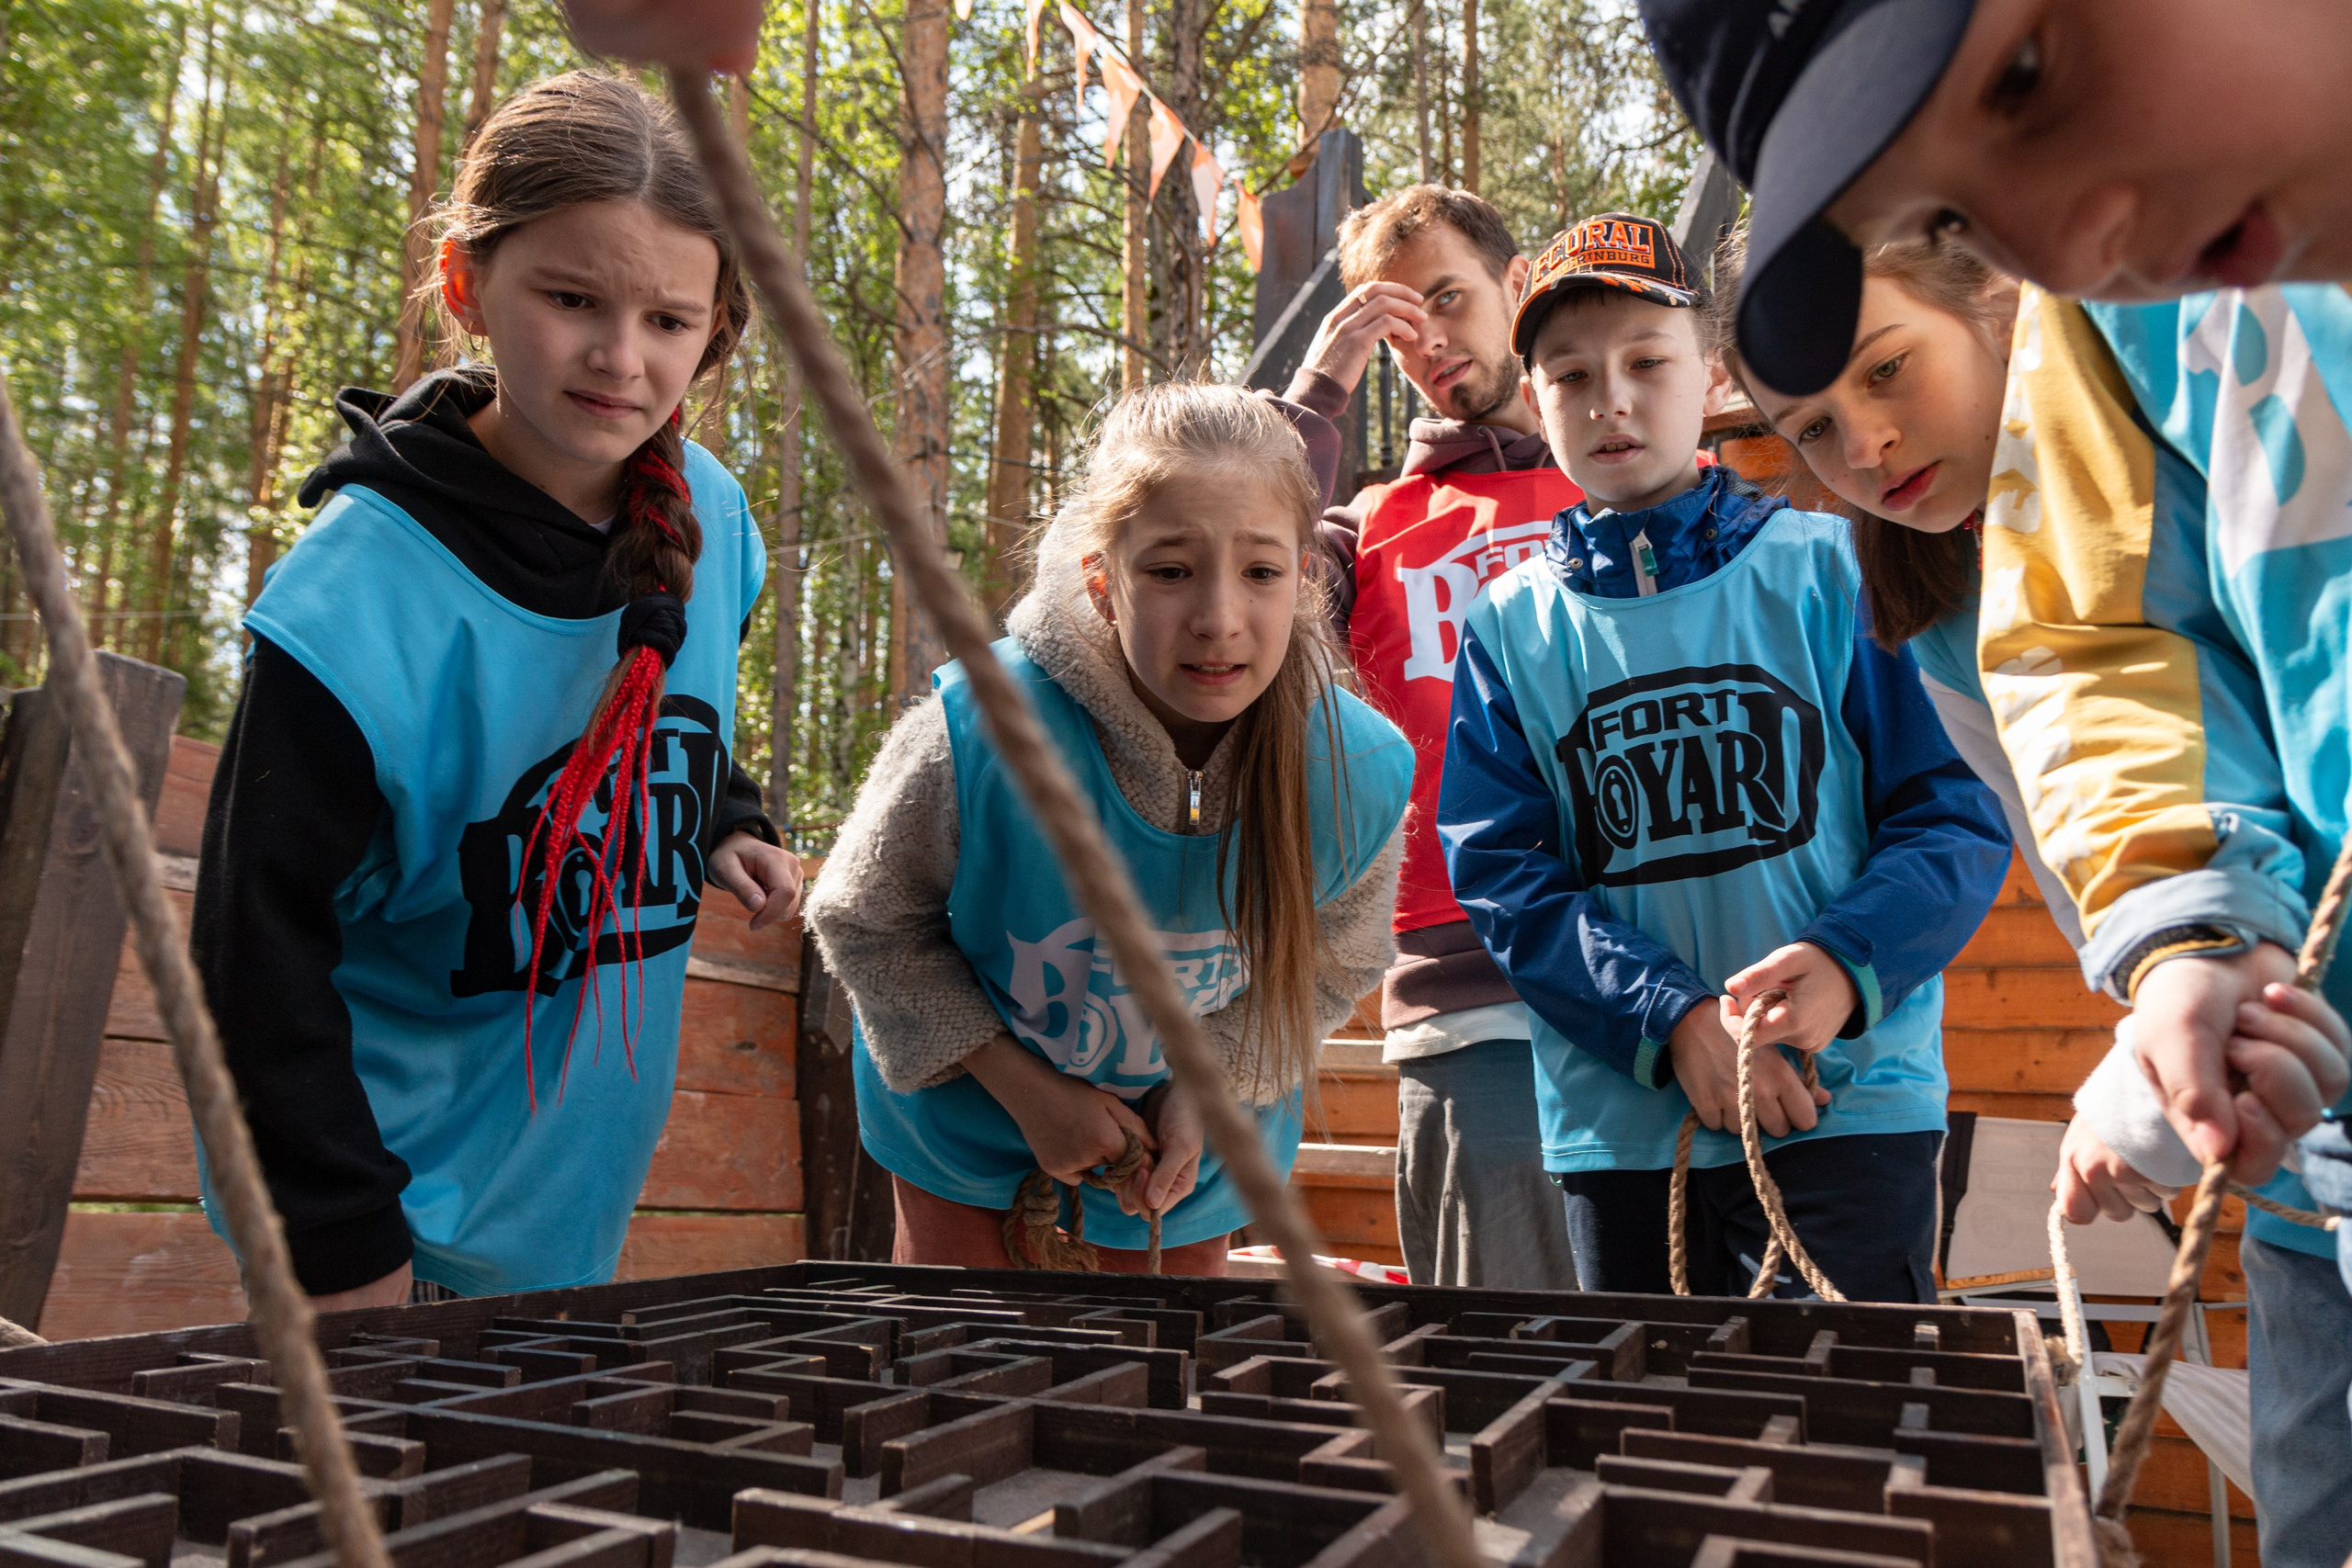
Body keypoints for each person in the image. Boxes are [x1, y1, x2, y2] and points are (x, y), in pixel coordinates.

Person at [194, 72, 804, 1309]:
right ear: (468, 284)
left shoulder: (714, 519)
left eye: (669, 322)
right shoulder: (353, 605)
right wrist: (343, 1238)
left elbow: (670, 685)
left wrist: (725, 810)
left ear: (716, 326)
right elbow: (250, 960)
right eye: (572, 298)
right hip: (377, 1226)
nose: (620, 359)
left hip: (563, 1219)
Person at [1438, 213, 2011, 1302]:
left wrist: (1845, 968)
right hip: (1623, 1130)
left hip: (1845, 1103)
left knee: (1846, 1439)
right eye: (1568, 376)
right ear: (1535, 401)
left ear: (1711, 379)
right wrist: (1669, 1020)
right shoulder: (1509, 628)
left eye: (1647, 363)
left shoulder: (1840, 567)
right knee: (1648, 1448)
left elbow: (1954, 810)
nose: (1610, 399)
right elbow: (1506, 878)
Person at [806, 383, 1411, 1275]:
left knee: (1143, 1394)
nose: (1217, 618)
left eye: (1259, 571)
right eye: (1169, 571)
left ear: (1302, 575)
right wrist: (1027, 1092)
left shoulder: (1350, 772)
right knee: (966, 1386)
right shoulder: (982, 735)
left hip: (1185, 1161)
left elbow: (1336, 964)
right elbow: (862, 919)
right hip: (970, 1146)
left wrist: (1208, 1091)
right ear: (1103, 581)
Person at [1282, 186, 1582, 1289]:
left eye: (1449, 299)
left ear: (1519, 285)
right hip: (1470, 1008)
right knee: (1501, 1380)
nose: (1433, 345)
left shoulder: (1632, 487)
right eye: (1398, 327)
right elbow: (1239, 547)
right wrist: (1322, 385)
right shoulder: (1367, 526)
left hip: (1664, 978)